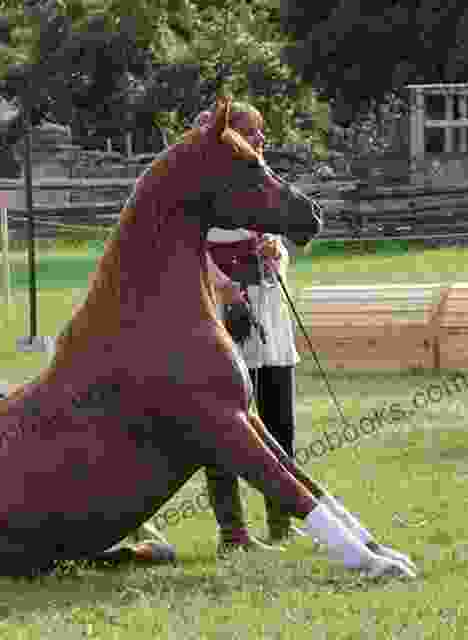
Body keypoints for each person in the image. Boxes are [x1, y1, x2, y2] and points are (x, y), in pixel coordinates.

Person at [199, 102, 304, 554]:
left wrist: (273, 250)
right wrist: (224, 287)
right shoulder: (198, 190)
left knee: (280, 420)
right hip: (220, 314)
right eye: (252, 133)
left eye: (261, 133)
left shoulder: (262, 183)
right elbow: (187, 250)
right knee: (225, 424)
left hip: (269, 308)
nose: (261, 141)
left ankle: (282, 521)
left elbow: (281, 246)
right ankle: (234, 533)